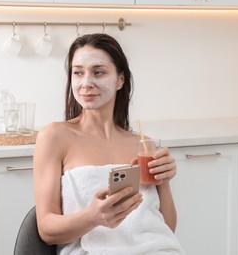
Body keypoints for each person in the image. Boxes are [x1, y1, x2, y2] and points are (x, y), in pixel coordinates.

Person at [33, 33, 185, 254]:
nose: (86, 83)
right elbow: (46, 230)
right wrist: (92, 217)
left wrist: (164, 181)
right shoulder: (55, 136)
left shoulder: (144, 145)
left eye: (98, 72)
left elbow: (165, 229)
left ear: (120, 80)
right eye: (78, 73)